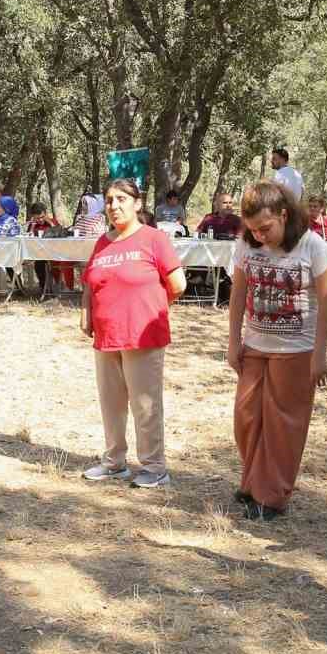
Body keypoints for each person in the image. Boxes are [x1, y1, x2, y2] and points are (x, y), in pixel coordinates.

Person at [228, 181, 327, 519]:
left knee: (283, 424)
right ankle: (252, 481)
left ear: (284, 215)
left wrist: (320, 353)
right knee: (246, 418)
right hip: (255, 345)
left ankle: (271, 496)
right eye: (253, 230)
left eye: (265, 228)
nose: (259, 235)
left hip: (296, 350)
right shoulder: (246, 246)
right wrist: (233, 341)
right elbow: (238, 293)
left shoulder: (313, 246)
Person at [81, 178, 186, 488]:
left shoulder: (154, 239)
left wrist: (150, 308)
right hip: (106, 335)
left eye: (121, 199)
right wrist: (86, 313)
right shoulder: (103, 242)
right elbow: (90, 282)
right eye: (109, 200)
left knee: (145, 404)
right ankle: (114, 462)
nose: (114, 206)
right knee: (111, 402)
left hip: (143, 336)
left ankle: (154, 467)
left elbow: (177, 284)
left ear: (138, 203)